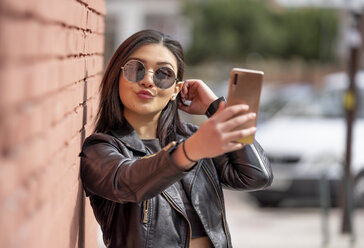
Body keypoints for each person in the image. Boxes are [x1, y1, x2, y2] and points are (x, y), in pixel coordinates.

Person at [80, 29, 272, 248]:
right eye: (136, 70)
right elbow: (129, 182)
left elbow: (257, 176)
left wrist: (215, 107)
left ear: (176, 89)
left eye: (163, 74)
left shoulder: (193, 138)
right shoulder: (99, 149)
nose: (148, 80)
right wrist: (191, 151)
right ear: (118, 77)